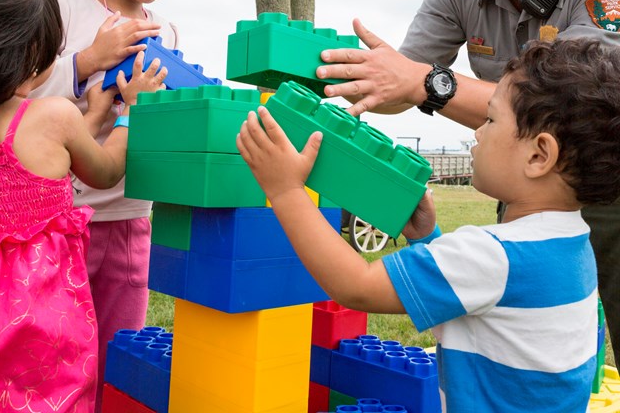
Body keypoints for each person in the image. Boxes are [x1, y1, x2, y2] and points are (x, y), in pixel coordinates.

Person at [315, 0, 620, 364]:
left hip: (610, 187)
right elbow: (397, 82)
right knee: (526, 349)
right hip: (529, 189)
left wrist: (425, 82)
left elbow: (565, 116)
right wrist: (340, 76)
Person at [239, 38, 620, 413]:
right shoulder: (573, 242)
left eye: (490, 119)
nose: (478, 132)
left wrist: (286, 189)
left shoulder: (493, 254)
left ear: (539, 155)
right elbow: (478, 305)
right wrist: (426, 238)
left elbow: (356, 287)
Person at [30, 0, 203, 411]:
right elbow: (22, 93)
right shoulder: (63, 6)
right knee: (53, 347)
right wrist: (87, 62)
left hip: (129, 215)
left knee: (117, 348)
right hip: (59, 215)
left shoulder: (166, 33)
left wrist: (155, 107)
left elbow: (163, 126)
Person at [0, 0, 167, 412]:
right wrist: (130, 113)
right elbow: (102, 170)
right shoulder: (54, 119)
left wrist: (90, 118)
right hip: (39, 318)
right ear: (29, 53)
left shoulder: (50, 124)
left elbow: (37, 158)